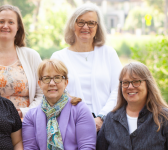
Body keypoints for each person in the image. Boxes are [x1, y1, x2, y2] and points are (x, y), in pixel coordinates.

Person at [50, 3, 122, 131]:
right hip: (70, 126)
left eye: (91, 23)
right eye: (81, 22)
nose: (85, 27)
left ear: (97, 27)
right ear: (73, 25)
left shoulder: (108, 53)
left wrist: (101, 118)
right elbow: (53, 93)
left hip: (108, 124)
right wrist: (81, 121)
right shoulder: (59, 57)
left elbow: (118, 89)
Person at [96, 62, 168, 150]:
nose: (130, 87)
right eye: (125, 82)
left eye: (136, 81)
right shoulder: (110, 120)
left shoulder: (165, 118)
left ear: (148, 84)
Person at [22, 59, 96, 150]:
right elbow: (30, 148)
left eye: (57, 78)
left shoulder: (80, 110)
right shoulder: (30, 116)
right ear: (40, 84)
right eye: (47, 78)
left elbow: (87, 147)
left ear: (66, 82)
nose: (52, 83)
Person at [0, 4, 43, 118]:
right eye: (1, 21)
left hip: (26, 123)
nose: (5, 26)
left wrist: (24, 113)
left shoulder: (32, 56)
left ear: (18, 27)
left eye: (11, 22)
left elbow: (43, 94)